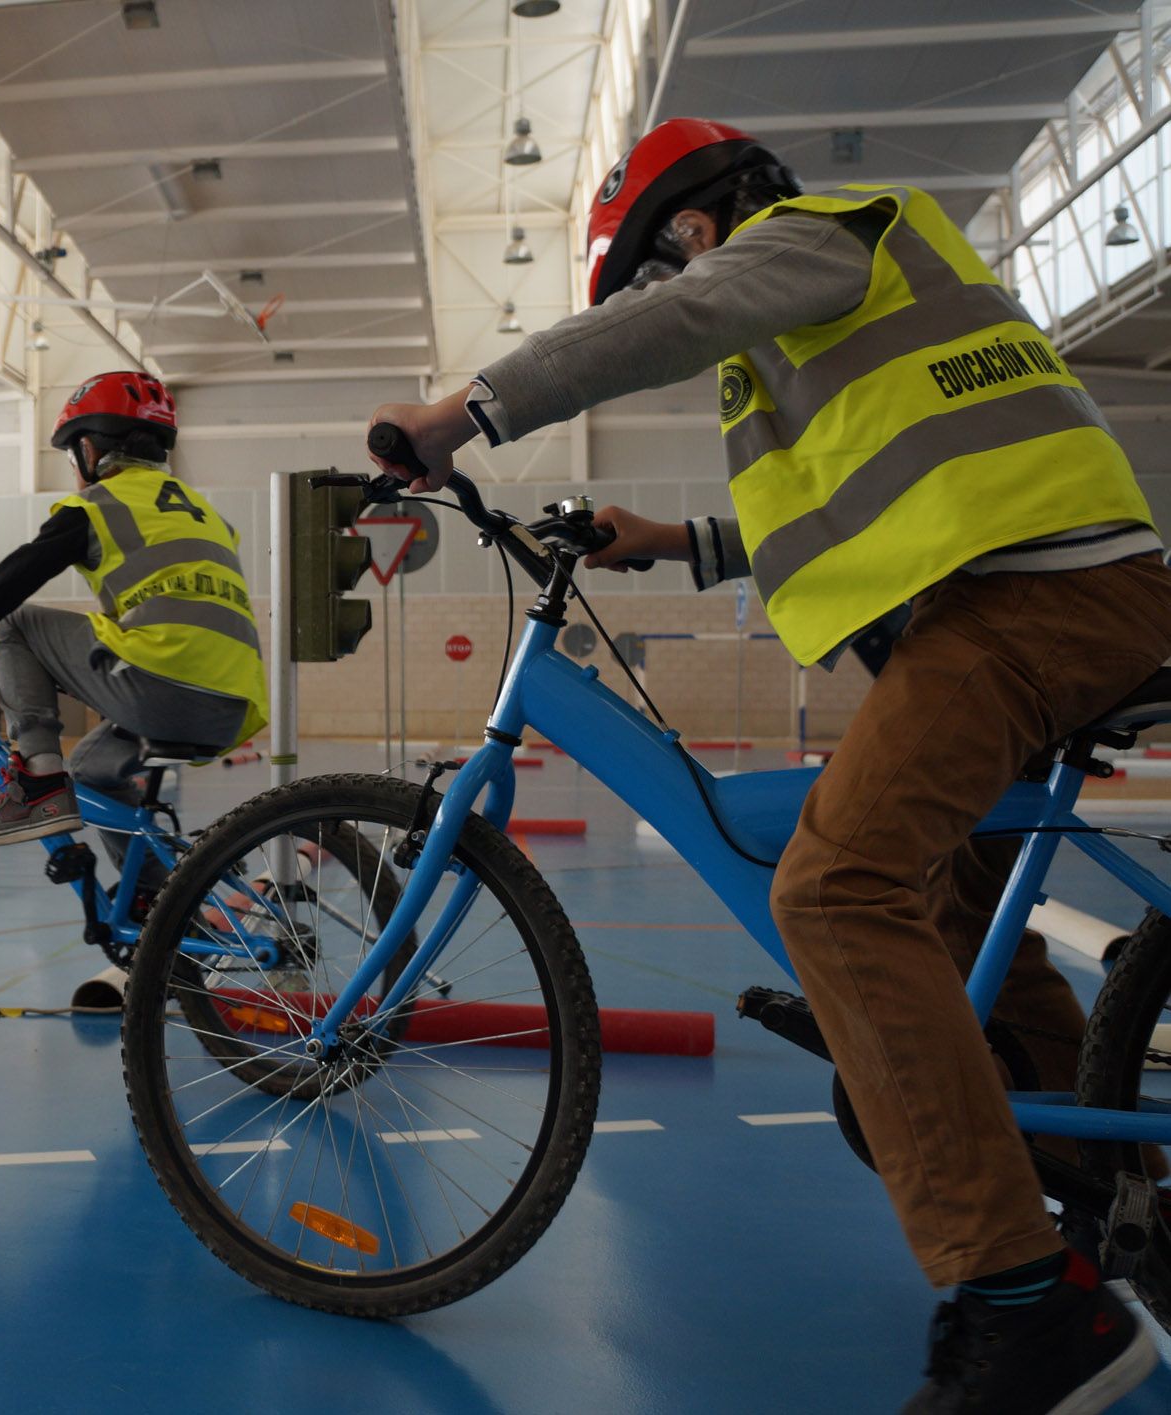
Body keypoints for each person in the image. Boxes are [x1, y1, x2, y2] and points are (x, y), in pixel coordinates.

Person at [368, 118, 1171, 1414]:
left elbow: (651, 330)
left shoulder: (818, 233)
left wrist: (462, 413)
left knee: (831, 891)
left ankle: (1026, 1308)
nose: (662, 290)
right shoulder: (827, 310)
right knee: (955, 905)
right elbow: (856, 485)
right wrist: (671, 538)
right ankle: (1088, 1178)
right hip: (1030, 599)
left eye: (654, 263)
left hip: (1033, 603)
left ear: (689, 224)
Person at [0, 372, 267, 860]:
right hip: (233, 705)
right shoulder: (206, 515)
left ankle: (37, 782)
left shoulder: (98, 505)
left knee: (17, 623)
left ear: (89, 450)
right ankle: (157, 907)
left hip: (163, 683)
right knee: (95, 769)